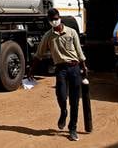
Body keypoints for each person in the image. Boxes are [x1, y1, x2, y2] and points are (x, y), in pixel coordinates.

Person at [27, 8, 87, 141]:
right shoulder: (48, 36)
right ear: (49, 21)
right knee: (60, 95)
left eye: (56, 18)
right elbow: (39, 55)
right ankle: (63, 112)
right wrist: (31, 70)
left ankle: (72, 128)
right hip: (61, 69)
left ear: (59, 17)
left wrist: (83, 68)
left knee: (75, 100)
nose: (54, 21)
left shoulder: (72, 32)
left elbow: (79, 52)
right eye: (51, 20)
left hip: (74, 67)